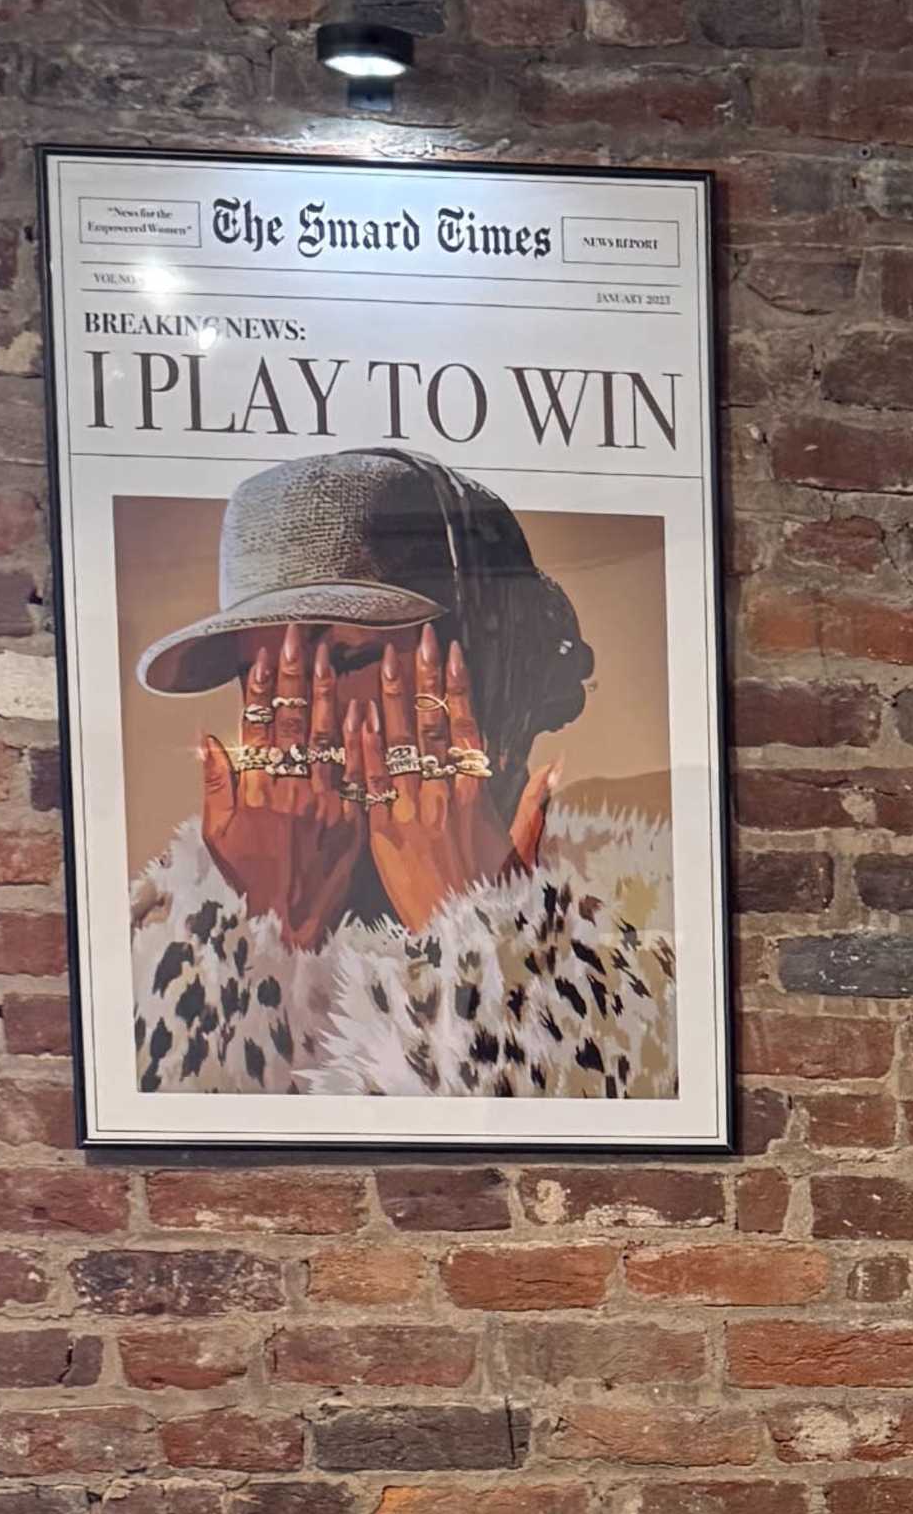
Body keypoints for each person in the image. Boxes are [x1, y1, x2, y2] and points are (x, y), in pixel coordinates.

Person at [123, 449, 679, 1105]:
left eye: (353, 660)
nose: (301, 721)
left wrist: (490, 941)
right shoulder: (172, 933)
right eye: (264, 678)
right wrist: (250, 948)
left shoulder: (639, 904)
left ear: (487, 660)